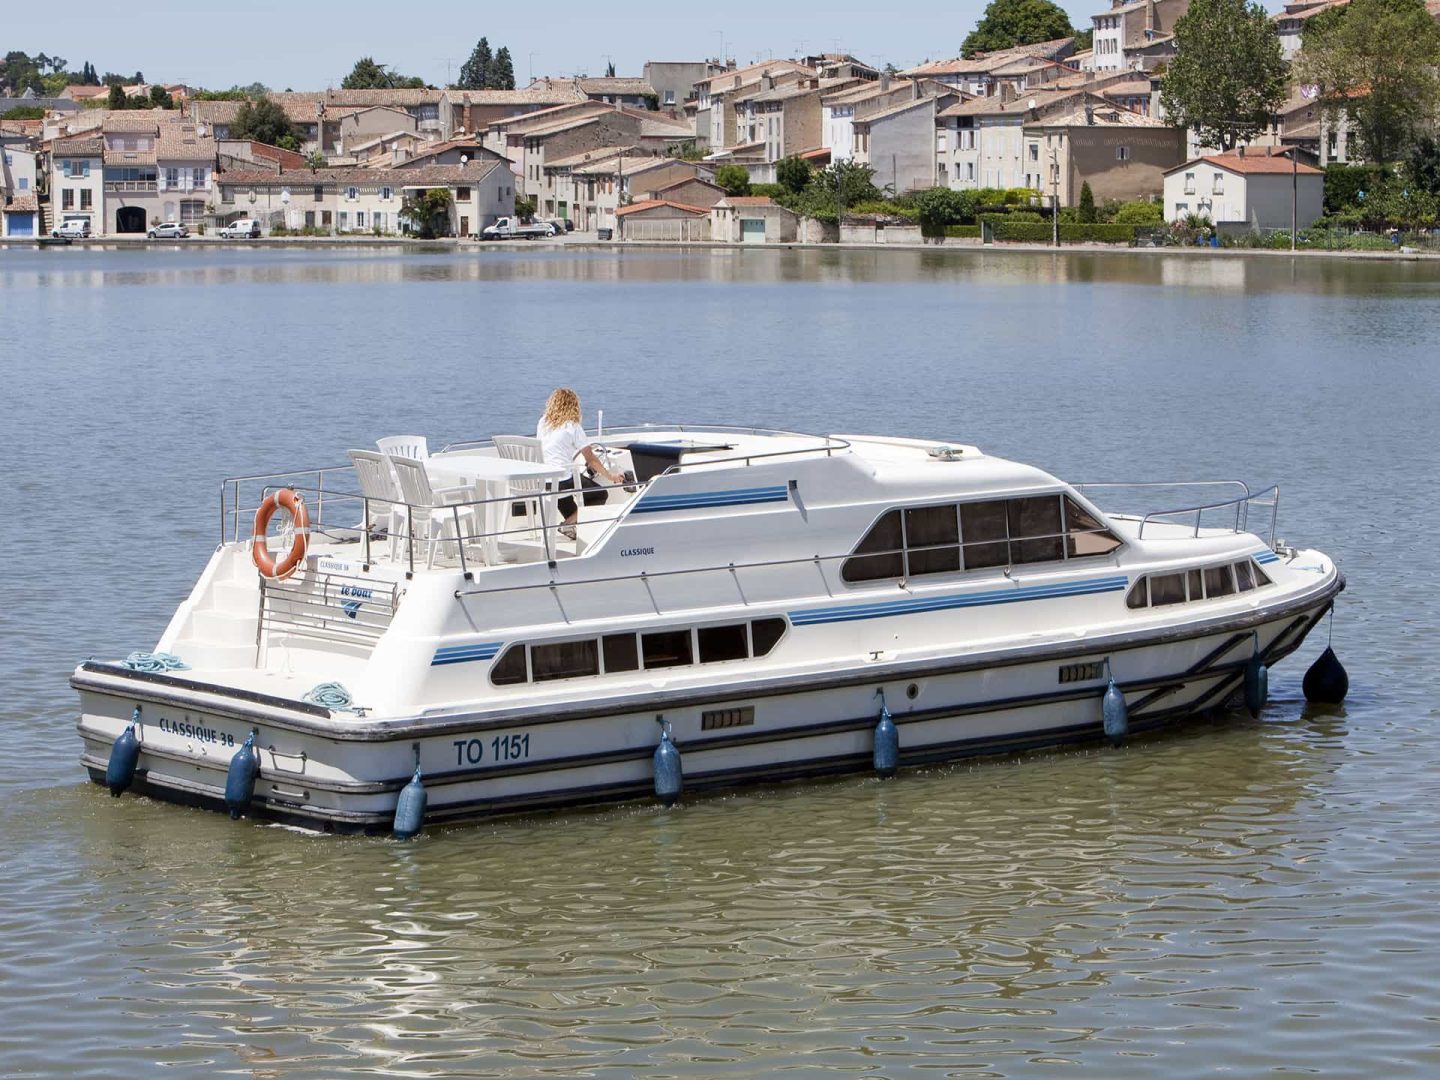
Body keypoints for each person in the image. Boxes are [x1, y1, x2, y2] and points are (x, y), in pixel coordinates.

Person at [536, 387, 625, 541]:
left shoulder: (543, 422)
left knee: (569, 499)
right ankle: (568, 524)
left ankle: (570, 525)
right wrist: (611, 476)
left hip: (544, 480)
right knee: (600, 494)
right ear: (574, 406)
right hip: (561, 480)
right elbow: (591, 459)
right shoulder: (572, 426)